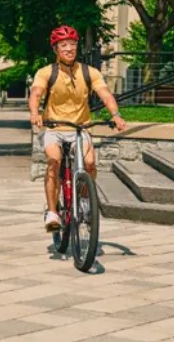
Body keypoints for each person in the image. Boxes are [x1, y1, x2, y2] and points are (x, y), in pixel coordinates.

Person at [29, 25, 128, 232]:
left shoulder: (89, 72)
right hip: (53, 128)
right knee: (54, 161)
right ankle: (52, 211)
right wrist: (35, 113)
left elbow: (106, 95)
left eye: (73, 45)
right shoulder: (46, 72)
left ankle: (84, 200)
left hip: (80, 129)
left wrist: (116, 115)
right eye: (63, 45)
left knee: (90, 164)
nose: (69, 49)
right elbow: (36, 93)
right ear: (55, 49)